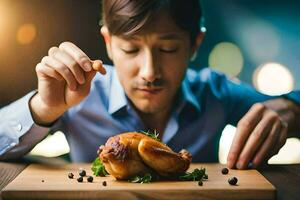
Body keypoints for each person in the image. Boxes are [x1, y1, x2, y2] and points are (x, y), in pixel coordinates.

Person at [0, 0, 299, 170]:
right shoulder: (77, 95)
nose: (149, 72)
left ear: (195, 44)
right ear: (109, 43)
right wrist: (44, 107)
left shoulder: (215, 92)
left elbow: (286, 108)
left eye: (168, 49)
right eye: (131, 50)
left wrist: (291, 108)